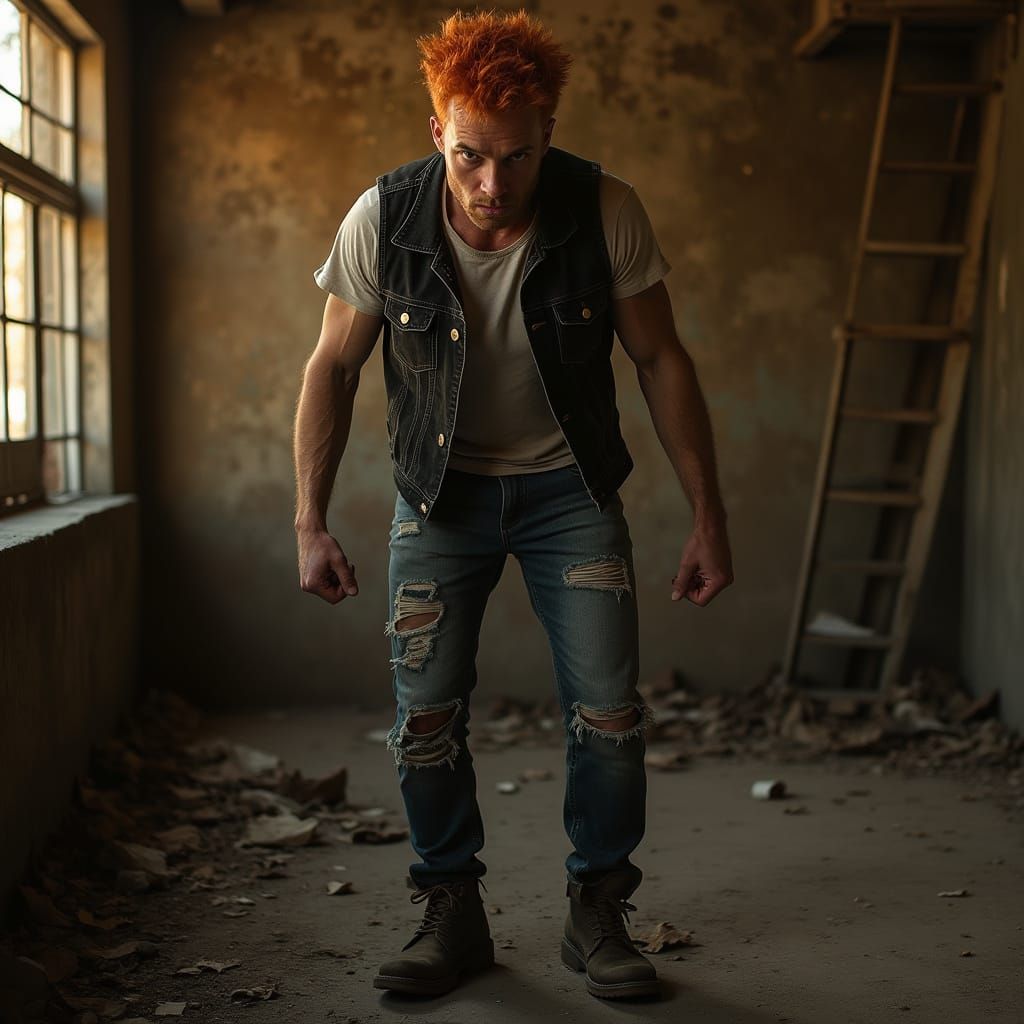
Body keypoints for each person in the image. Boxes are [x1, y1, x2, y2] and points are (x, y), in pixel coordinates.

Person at [293, 9, 733, 1002]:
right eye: (470, 155)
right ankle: (450, 910)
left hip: (569, 494)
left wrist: (710, 518)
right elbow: (332, 366)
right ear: (437, 130)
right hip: (438, 499)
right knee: (425, 719)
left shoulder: (604, 208)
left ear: (548, 132)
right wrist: (308, 522)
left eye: (519, 156)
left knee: (609, 714)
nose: (493, 183)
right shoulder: (384, 217)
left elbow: (660, 358)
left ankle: (597, 913)